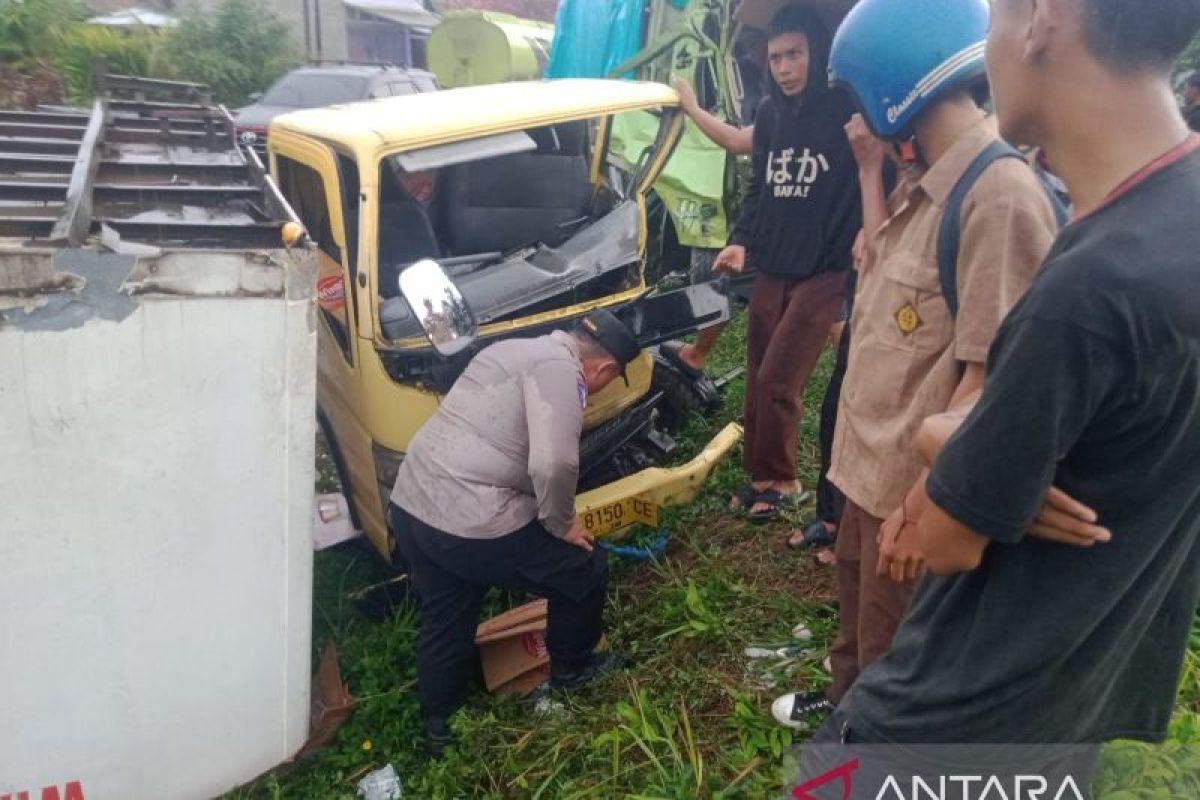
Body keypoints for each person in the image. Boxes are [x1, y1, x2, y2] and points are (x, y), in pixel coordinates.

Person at [806, 0, 1200, 754]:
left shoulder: (1085, 285)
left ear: (1042, 18)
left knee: (828, 777)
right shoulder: (1164, 218)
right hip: (1071, 696)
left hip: (963, 710)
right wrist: (997, 463)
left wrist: (951, 446)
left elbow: (953, 535)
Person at [771, 0, 1060, 726]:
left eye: (855, 95)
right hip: (866, 473)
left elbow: (992, 382)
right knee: (857, 629)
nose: (856, 115)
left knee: (894, 653)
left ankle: (872, 752)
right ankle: (843, 716)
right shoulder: (925, 182)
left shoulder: (997, 197)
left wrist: (921, 502)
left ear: (887, 83)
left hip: (910, 495)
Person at [388, 309, 640, 757]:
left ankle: (440, 726)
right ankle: (573, 669)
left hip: (413, 505)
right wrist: (562, 524)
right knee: (582, 567)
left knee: (448, 607)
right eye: (608, 379)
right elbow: (554, 464)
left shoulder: (514, 349)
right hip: (469, 517)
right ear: (604, 369)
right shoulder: (563, 372)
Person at [708, 5, 862, 522]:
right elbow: (759, 188)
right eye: (775, 58)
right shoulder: (771, 115)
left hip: (825, 267)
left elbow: (874, 168)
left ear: (816, 53)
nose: (784, 68)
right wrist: (741, 242)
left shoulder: (844, 108)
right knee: (756, 374)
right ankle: (762, 477)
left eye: (794, 55)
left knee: (779, 378)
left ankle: (787, 479)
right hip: (774, 262)